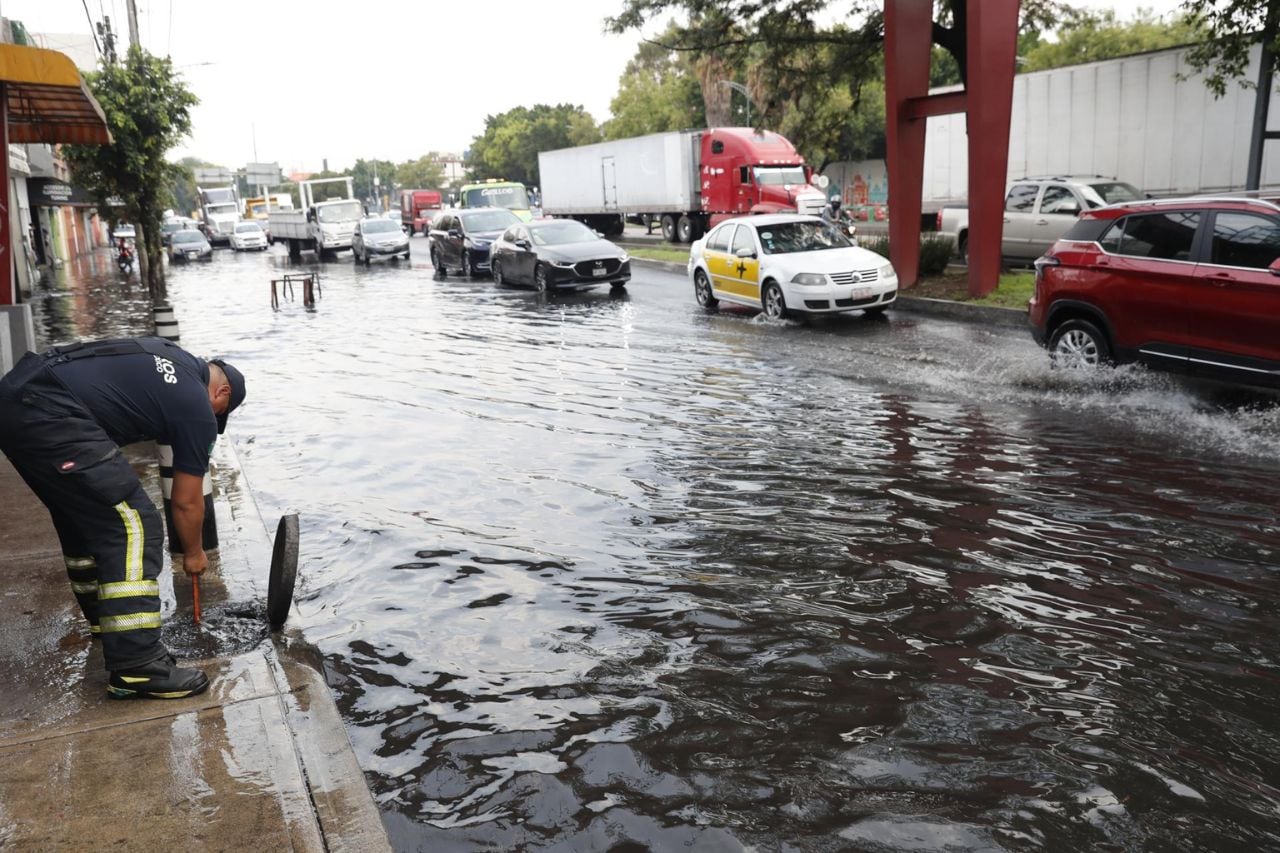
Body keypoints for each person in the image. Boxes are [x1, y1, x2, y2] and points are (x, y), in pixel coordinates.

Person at [0, 337, 246, 700]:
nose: (213, 420)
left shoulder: (171, 355)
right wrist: (194, 553)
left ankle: (108, 623)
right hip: (51, 411)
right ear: (222, 391)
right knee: (135, 525)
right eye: (219, 413)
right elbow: (186, 502)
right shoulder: (196, 405)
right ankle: (137, 665)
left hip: (16, 397)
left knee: (84, 515)